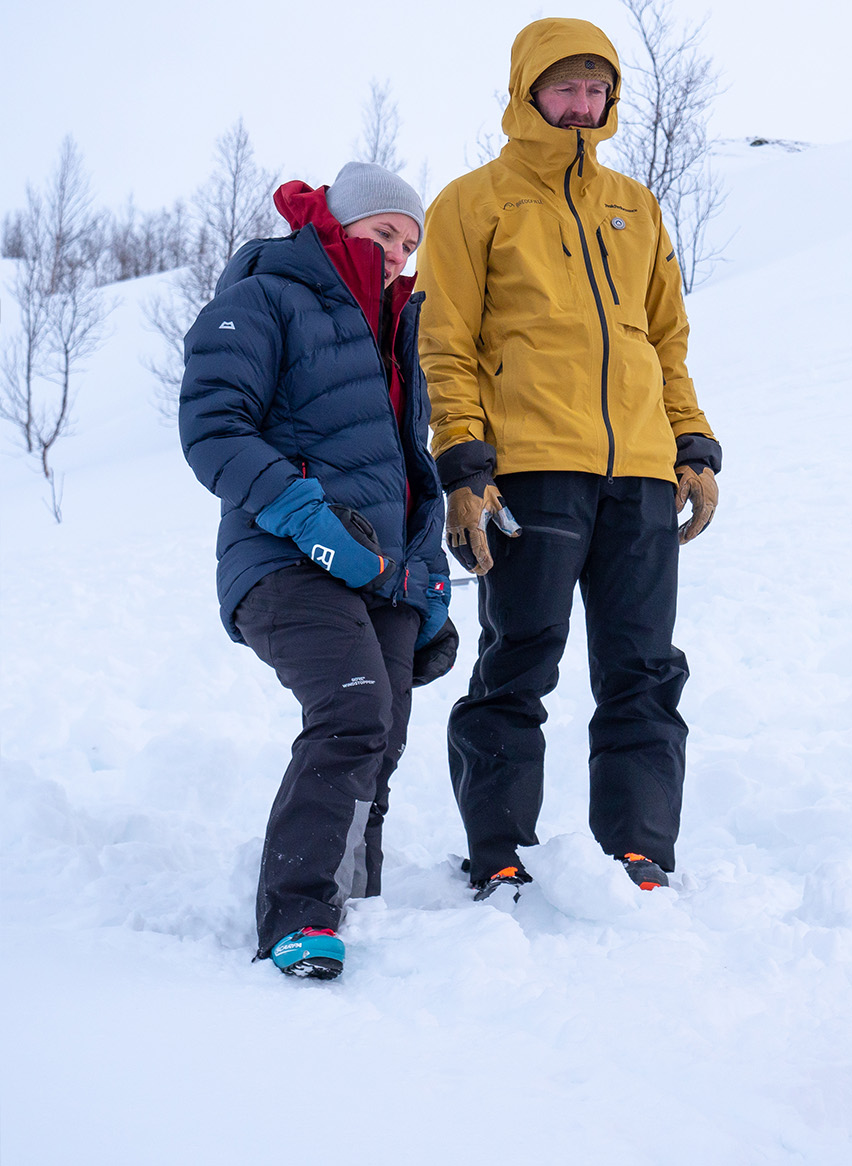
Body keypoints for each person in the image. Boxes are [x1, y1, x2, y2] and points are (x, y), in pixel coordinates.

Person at [416, 18, 720, 903]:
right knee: (518, 660)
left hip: (637, 475)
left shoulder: (636, 205)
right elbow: (445, 342)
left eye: (596, 89)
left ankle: (638, 849)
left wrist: (691, 445)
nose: (582, 105)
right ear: (527, 91)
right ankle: (500, 851)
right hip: (530, 470)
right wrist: (464, 463)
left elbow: (664, 341)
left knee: (643, 668)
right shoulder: (473, 202)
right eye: (566, 88)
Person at [180, 163, 455, 979]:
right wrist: (303, 516)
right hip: (285, 556)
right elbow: (212, 424)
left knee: (385, 737)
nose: (399, 255)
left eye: (409, 244)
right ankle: (298, 916)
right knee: (351, 712)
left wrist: (422, 575)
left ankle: (354, 891)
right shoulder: (266, 296)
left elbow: (410, 467)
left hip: (380, 568)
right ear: (336, 224)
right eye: (383, 235)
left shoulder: (395, 326)